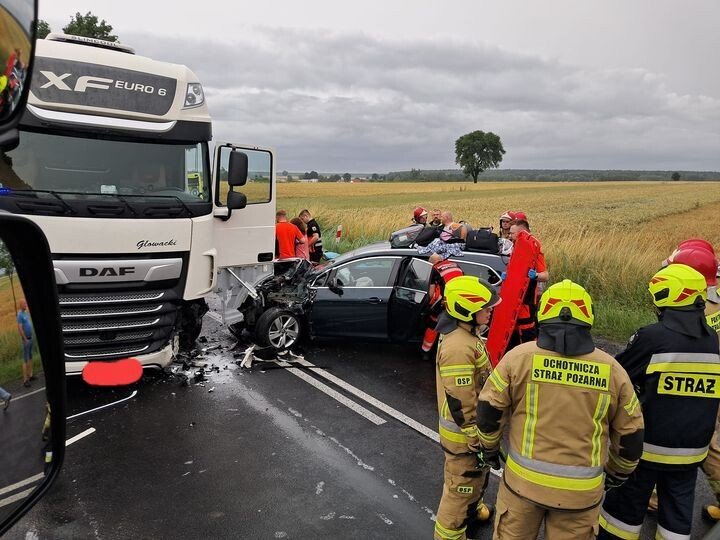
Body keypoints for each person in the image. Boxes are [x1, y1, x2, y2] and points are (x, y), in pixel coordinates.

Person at [476, 280, 644, 539]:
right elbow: (631, 438)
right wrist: (615, 474)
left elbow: (489, 412)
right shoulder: (613, 371)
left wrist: (489, 449)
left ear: (543, 315)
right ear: (588, 318)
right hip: (580, 497)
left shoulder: (518, 359)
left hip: (523, 487)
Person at [598, 264, 720, 540]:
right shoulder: (712, 340)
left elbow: (619, 376)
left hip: (647, 450)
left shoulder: (653, 337)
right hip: (691, 453)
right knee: (676, 518)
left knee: (622, 515)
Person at [434, 276, 500, 540]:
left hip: (472, 434)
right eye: (485, 307)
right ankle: (449, 534)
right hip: (464, 437)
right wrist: (476, 437)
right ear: (466, 310)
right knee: (460, 488)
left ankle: (474, 510)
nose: (490, 310)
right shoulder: (458, 347)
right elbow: (461, 401)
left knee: (476, 478)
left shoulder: (467, 334)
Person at [507, 219, 549, 345]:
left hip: (527, 298)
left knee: (527, 330)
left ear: (522, 234)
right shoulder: (514, 249)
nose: (509, 236)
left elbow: (545, 276)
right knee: (512, 330)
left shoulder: (534, 250)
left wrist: (535, 275)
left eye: (512, 233)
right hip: (513, 297)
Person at [421, 253, 464, 358]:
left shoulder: (434, 269)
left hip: (445, 302)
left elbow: (431, 293)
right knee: (453, 327)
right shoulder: (455, 265)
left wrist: (426, 306)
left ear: (433, 263)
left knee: (433, 324)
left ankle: (425, 351)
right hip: (460, 301)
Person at [17, 299, 34, 387]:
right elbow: (20, 328)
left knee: (30, 356)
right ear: (20, 305)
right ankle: (25, 380)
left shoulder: (25, 313)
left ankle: (30, 375)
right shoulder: (19, 315)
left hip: (30, 338)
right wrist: (25, 339)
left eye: (26, 303)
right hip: (26, 340)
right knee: (25, 359)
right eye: (24, 303)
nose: (26, 304)